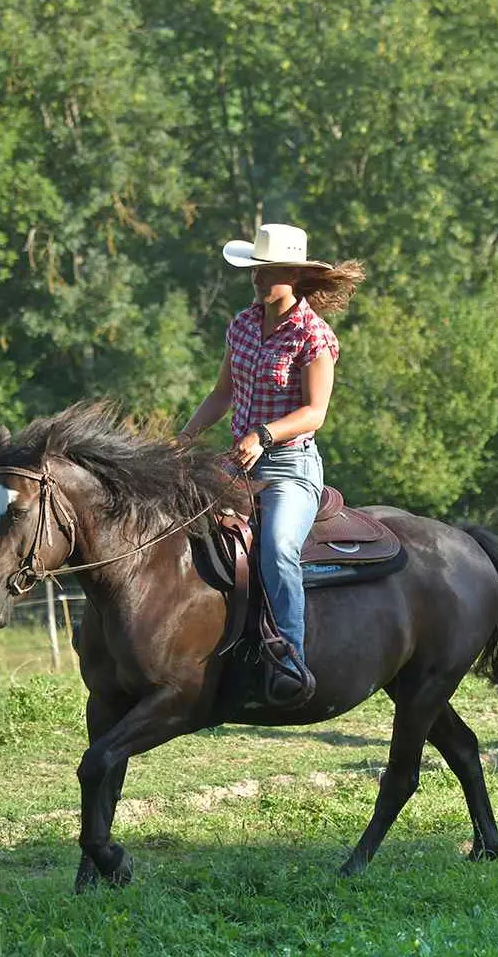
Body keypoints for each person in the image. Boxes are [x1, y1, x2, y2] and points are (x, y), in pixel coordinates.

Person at [178, 223, 364, 706]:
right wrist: (184, 439)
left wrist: (263, 435)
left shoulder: (314, 336)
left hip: (290, 466)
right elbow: (222, 394)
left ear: (294, 275)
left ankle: (289, 660)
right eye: (255, 270)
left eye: (268, 271)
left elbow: (315, 412)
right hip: (237, 463)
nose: (258, 279)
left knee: (278, 547)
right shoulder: (240, 325)